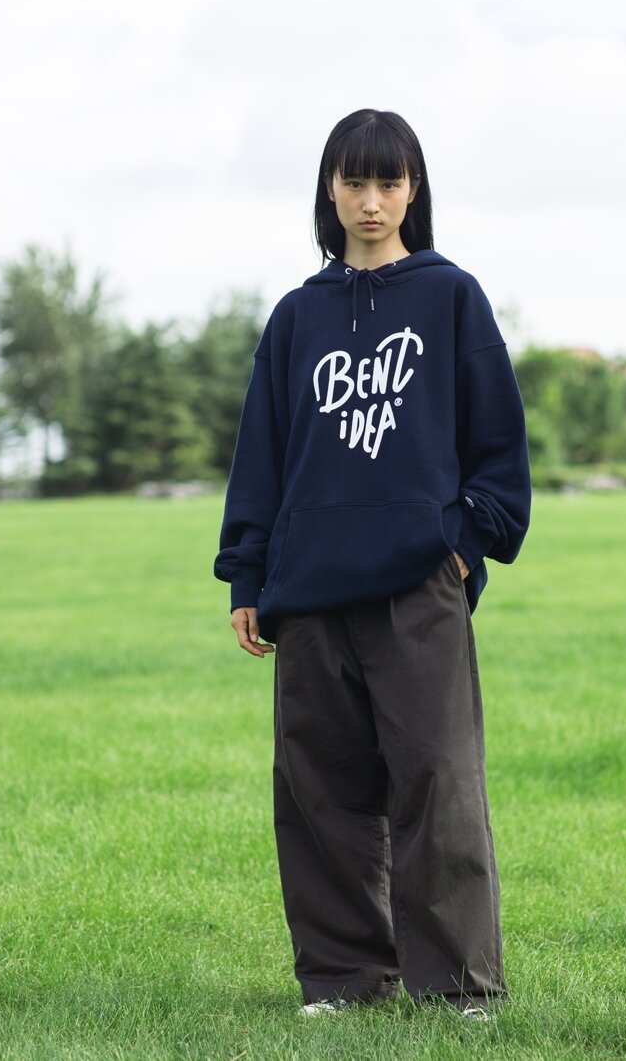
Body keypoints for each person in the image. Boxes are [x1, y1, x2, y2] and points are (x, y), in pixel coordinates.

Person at [214, 108, 531, 1017]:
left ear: (412, 190)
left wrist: (462, 546)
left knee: (438, 779)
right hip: (310, 590)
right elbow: (262, 457)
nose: (371, 200)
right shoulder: (296, 316)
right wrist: (248, 574)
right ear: (330, 189)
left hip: (418, 584)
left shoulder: (452, 297)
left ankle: (458, 985)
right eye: (354, 181)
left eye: (389, 182)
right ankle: (346, 978)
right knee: (319, 789)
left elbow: (498, 451)